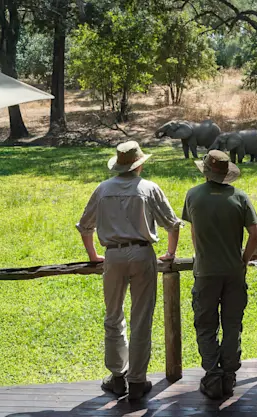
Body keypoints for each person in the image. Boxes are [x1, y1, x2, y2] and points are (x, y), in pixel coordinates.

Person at [76, 141, 181, 401]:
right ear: (139, 164)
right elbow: (172, 224)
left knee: (113, 316)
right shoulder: (149, 188)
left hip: (113, 255)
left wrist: (92, 256)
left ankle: (117, 376)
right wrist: (170, 252)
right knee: (141, 318)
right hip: (143, 253)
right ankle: (137, 380)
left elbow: (84, 226)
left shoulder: (103, 189)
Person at [182, 150, 257, 398]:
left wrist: (202, 254)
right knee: (232, 324)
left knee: (206, 325)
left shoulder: (193, 195)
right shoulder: (240, 197)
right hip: (234, 272)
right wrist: (244, 259)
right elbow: (256, 235)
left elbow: (194, 232)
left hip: (205, 272)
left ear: (205, 171)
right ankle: (229, 375)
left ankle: (212, 376)